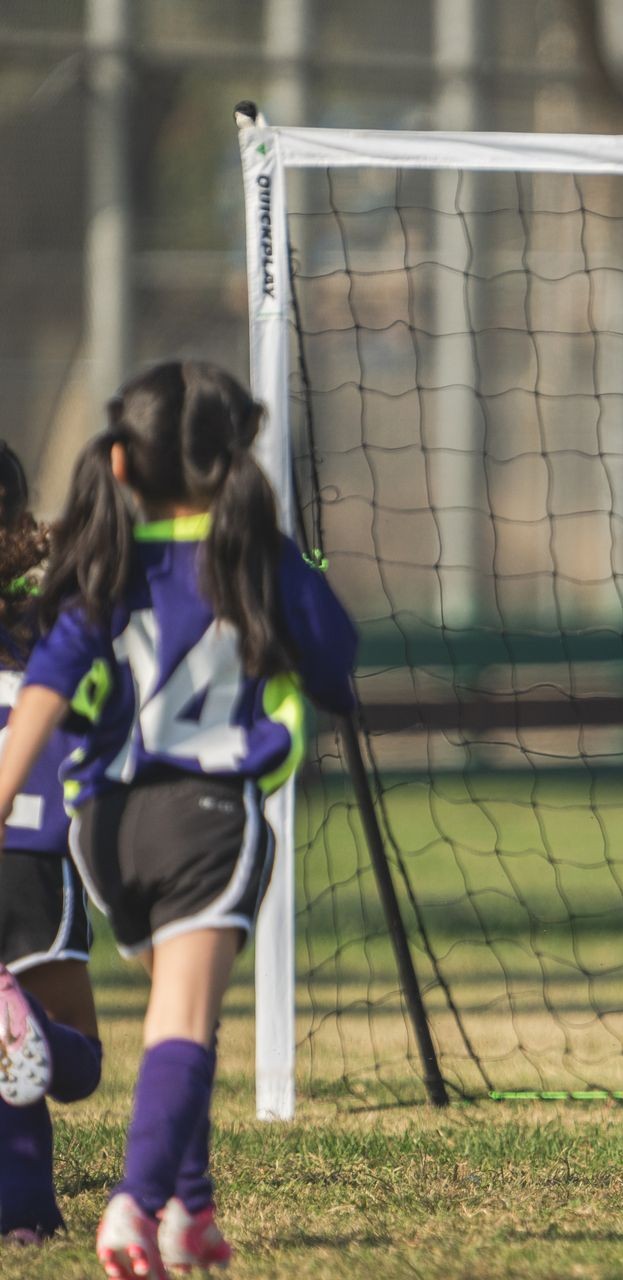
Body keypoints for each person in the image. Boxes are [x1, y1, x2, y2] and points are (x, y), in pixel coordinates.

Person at [0, 362, 358, 1278]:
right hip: (203, 821)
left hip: (103, 831)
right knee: (184, 1025)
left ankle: (192, 1209)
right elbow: (334, 666)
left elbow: (44, 694)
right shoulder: (256, 559)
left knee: (170, 1016)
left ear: (118, 466)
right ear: (235, 461)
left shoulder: (101, 568)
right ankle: (136, 1207)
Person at [0, 442, 104, 1245]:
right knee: (75, 1063)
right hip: (33, 851)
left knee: (13, 1059)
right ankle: (26, 1217)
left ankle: (25, 1213)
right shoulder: (53, 613)